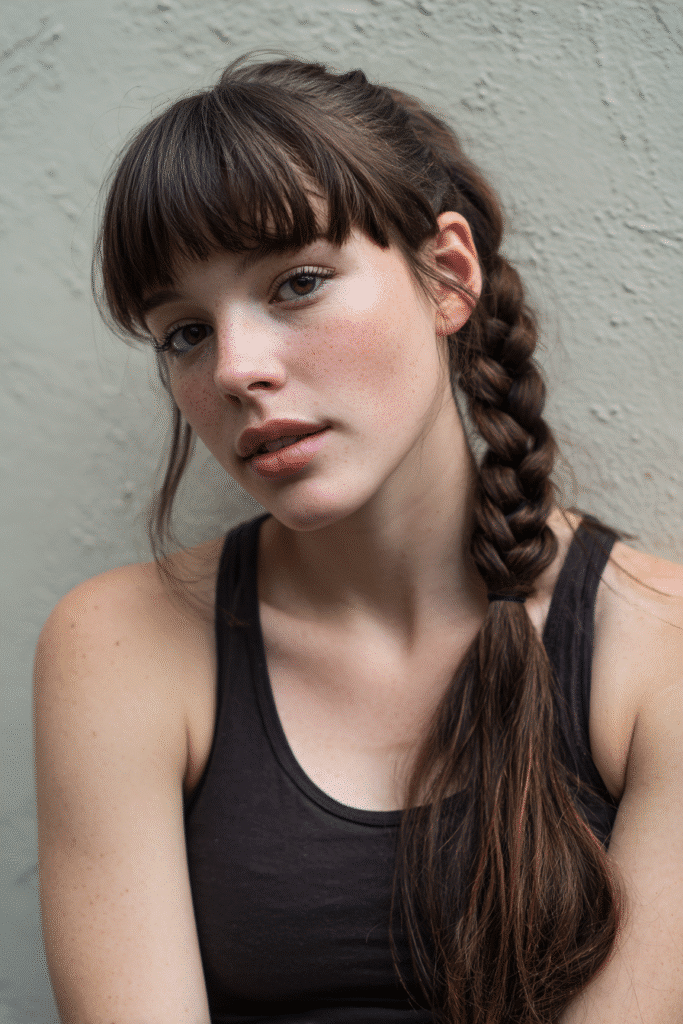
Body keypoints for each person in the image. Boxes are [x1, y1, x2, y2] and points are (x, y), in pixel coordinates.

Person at [33, 55, 683, 1024]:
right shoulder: (123, 643)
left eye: (295, 282)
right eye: (183, 332)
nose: (237, 369)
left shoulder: (657, 641)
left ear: (447, 277)